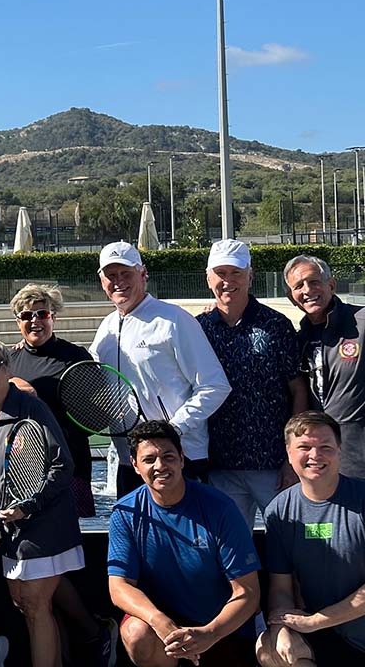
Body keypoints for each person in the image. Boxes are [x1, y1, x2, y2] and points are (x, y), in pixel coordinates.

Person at [1, 284, 113, 664]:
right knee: (41, 571)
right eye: (27, 315)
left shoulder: (75, 358)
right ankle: (82, 639)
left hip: (67, 473)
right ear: (17, 320)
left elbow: (95, 416)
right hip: (22, 479)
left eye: (43, 313)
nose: (35, 320)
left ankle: (91, 633)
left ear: (53, 316)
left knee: (54, 566)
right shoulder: (8, 361)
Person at [0, 335, 82, 667]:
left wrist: (28, 506)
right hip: (11, 532)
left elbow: (62, 465)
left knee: (34, 604)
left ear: (7, 369)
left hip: (46, 524)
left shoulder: (32, 408)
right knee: (26, 604)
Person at [108, 419, 260, 666]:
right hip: (164, 631)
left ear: (181, 458)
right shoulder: (125, 512)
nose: (160, 466)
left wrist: (211, 633)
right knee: (136, 632)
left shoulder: (220, 508)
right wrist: (160, 622)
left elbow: (248, 592)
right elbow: (119, 587)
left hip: (218, 628)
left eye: (168, 457)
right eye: (149, 459)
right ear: (135, 465)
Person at [89, 241, 230, 495]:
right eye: (111, 275)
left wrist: (173, 429)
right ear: (102, 282)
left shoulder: (174, 320)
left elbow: (215, 386)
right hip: (131, 463)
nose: (119, 281)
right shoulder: (106, 328)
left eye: (126, 273)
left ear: (143, 274)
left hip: (181, 457)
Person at [197, 240, 307, 525]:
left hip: (273, 465)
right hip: (220, 466)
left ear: (250, 276)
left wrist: (292, 457)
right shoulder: (198, 328)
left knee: (289, 541)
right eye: (220, 273)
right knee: (231, 547)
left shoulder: (276, 325)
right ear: (208, 279)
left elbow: (298, 389)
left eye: (236, 273)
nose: (228, 281)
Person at [257, 411, 365, 665]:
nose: (315, 455)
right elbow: (280, 588)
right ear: (288, 453)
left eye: (325, 447)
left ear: (339, 451)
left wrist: (316, 621)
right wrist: (280, 629)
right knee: (269, 649)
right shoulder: (279, 511)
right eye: (305, 447)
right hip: (324, 633)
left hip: (346, 627)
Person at [283, 254, 365, 478]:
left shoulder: (361, 323)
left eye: (314, 281)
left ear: (331, 285)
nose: (308, 290)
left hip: (358, 458)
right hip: (320, 461)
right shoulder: (298, 340)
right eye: (298, 286)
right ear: (291, 297)